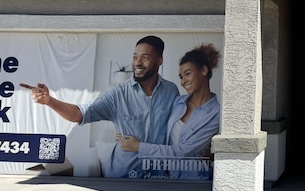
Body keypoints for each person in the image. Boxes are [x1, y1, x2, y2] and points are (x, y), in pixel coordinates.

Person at [20, 35, 179, 178]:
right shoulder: (117, 95)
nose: (137, 62)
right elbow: (79, 114)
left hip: (160, 177)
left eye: (145, 57)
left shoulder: (171, 91)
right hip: (125, 177)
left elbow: (176, 129)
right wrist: (50, 101)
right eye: (135, 57)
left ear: (159, 60)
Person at [117, 43, 220, 180]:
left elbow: (182, 152)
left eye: (188, 74)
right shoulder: (178, 102)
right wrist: (127, 129)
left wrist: (139, 146)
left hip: (194, 181)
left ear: (204, 71)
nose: (183, 81)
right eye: (181, 77)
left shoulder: (216, 114)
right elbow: (155, 122)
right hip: (168, 177)